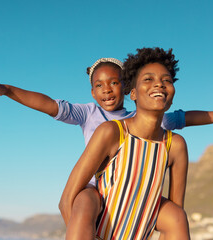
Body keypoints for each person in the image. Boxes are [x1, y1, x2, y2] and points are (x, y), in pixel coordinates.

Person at [0, 58, 213, 239]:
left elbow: (188, 117)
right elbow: (47, 104)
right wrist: (5, 90)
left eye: (113, 82)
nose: (106, 90)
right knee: (83, 201)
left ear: (126, 88)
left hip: (137, 194)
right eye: (99, 86)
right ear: (92, 92)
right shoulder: (90, 115)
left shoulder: (149, 119)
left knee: (175, 215)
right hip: (97, 188)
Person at [60, 47, 190, 239]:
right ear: (133, 93)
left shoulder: (175, 145)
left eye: (167, 80)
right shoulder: (112, 132)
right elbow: (66, 201)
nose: (159, 85)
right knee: (84, 199)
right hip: (100, 226)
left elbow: (175, 222)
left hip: (139, 227)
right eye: (148, 79)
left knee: (177, 215)